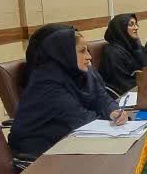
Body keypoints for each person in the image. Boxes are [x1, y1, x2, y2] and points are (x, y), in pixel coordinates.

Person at [8, 26, 125, 157]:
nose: (89, 56)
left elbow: (102, 98)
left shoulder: (81, 71)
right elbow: (81, 119)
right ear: (65, 53)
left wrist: (113, 111)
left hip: (71, 139)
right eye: (82, 51)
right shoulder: (46, 81)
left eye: (87, 50)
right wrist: (111, 121)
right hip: (41, 151)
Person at [98, 13, 147, 96]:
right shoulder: (112, 53)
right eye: (131, 25)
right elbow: (123, 83)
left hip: (140, 87)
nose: (136, 28)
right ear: (121, 29)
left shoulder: (133, 46)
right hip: (124, 95)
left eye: (136, 24)